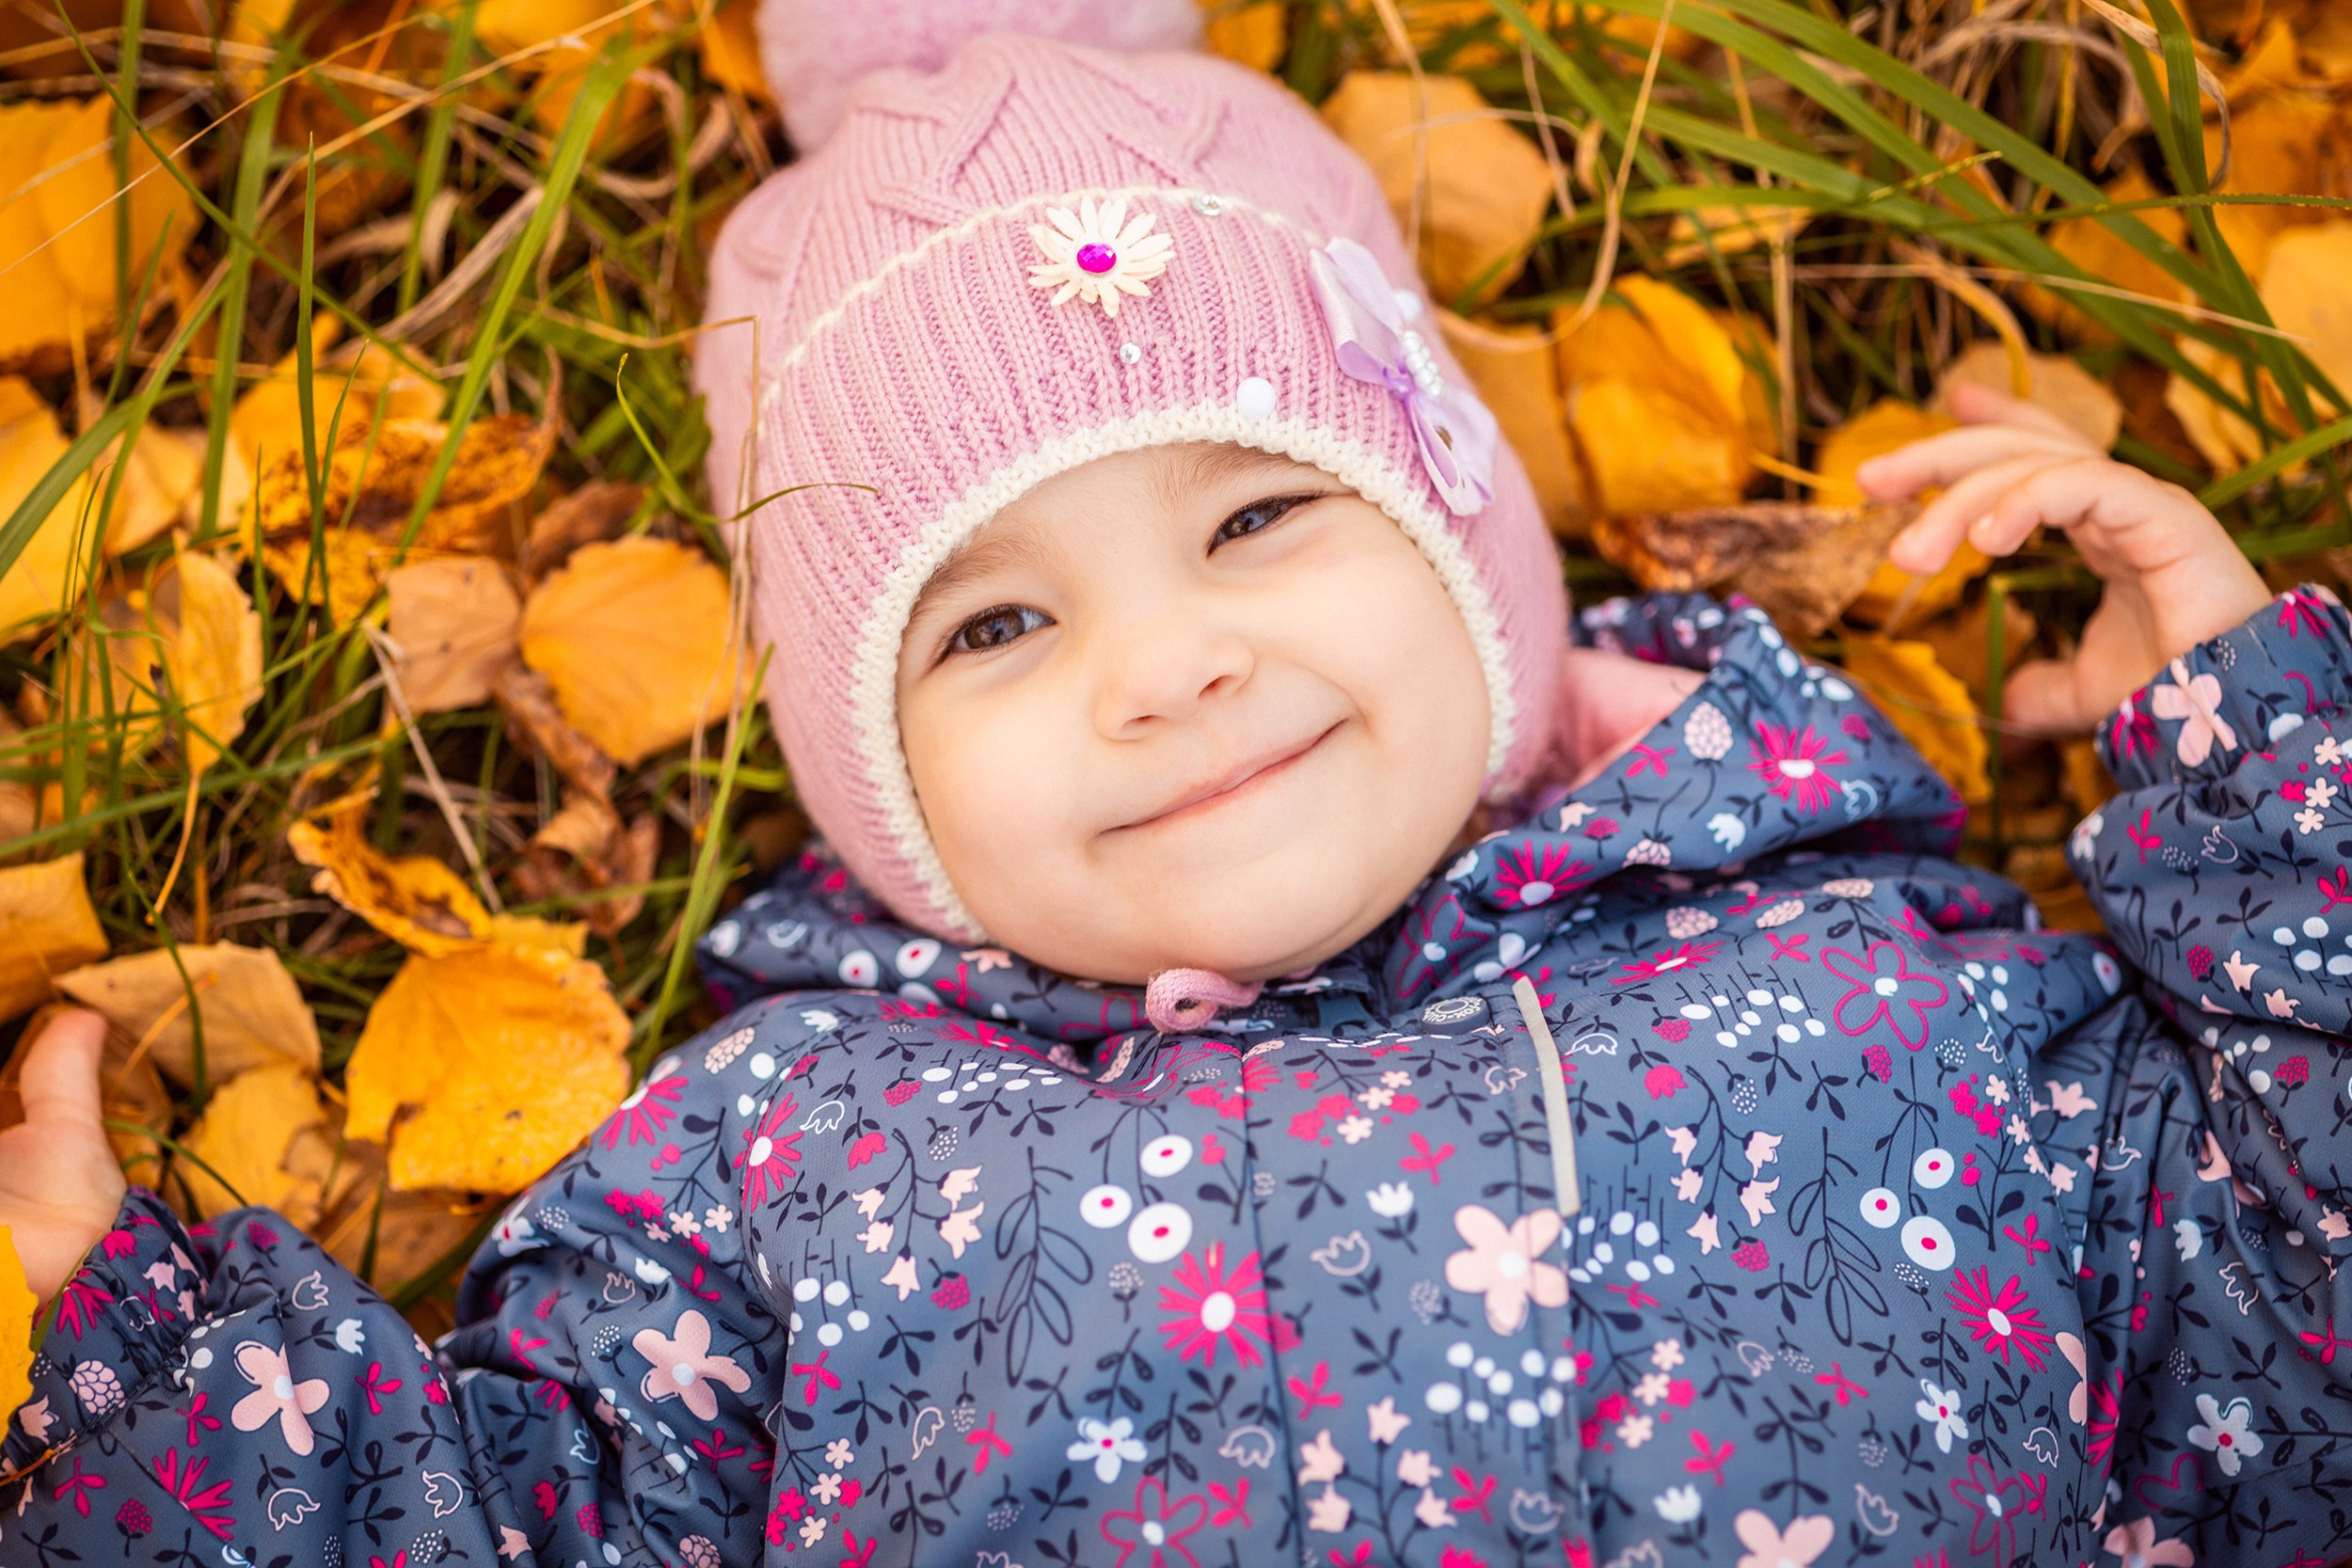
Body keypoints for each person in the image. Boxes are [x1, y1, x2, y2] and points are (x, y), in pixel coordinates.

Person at [5, 5, 2349, 1565]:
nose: (1168, 664)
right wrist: (148, 1397)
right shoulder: (781, 1161)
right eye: (996, 625)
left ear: (1465, 542)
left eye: (1255, 516)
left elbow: (2304, 1335)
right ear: (862, 762)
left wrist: (2252, 775)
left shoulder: (1896, 991)